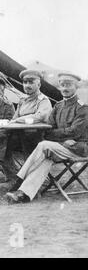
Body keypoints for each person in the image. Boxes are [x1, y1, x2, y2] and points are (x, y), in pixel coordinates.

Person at [5, 73, 88, 203]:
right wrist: (61, 138)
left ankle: (18, 180)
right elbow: (48, 131)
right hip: (60, 147)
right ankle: (23, 194)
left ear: (76, 87)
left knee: (43, 145)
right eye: (62, 85)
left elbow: (75, 132)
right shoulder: (58, 106)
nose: (65, 89)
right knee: (45, 158)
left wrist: (58, 135)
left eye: (69, 85)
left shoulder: (82, 107)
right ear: (59, 87)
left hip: (77, 148)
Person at [0, 69, 53, 189]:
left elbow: (41, 116)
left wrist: (19, 120)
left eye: (30, 82)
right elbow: (14, 117)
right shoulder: (22, 100)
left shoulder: (43, 100)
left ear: (38, 84)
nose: (27, 85)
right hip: (20, 135)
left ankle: (30, 183)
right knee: (0, 141)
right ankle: (13, 177)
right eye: (25, 82)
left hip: (37, 137)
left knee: (27, 138)